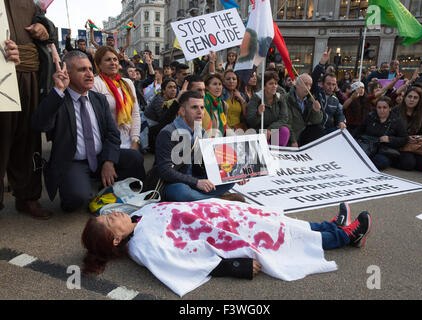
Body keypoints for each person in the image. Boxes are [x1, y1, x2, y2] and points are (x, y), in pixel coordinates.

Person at [81, 200, 372, 297]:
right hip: (227, 232)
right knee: (280, 237)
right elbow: (181, 262)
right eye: (109, 220)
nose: (114, 214)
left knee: (278, 222)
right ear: (115, 240)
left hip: (227, 215)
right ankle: (346, 236)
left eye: (109, 214)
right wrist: (236, 266)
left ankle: (330, 226)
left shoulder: (137, 217)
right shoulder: (144, 247)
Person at [32, 51, 145, 212]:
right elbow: (40, 125)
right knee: (77, 199)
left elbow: (113, 135)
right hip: (73, 161)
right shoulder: (58, 99)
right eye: (82, 70)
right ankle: (77, 188)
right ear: (67, 74)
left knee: (134, 157)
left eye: (91, 69)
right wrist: (57, 90)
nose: (89, 74)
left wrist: (109, 161)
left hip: (100, 157)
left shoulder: (98, 99)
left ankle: (117, 192)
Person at [0, 0, 56, 219]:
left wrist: (43, 28)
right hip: (3, 78)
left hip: (31, 77)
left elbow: (48, 29)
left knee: (29, 139)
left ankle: (27, 198)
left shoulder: (31, 4)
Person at [153, 91, 247, 202]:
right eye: (194, 107)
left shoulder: (200, 131)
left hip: (195, 180)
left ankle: (204, 198)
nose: (200, 112)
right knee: (182, 193)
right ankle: (219, 199)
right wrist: (196, 183)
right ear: (182, 111)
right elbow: (165, 171)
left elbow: (207, 163)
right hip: (174, 184)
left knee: (229, 179)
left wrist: (235, 174)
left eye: (202, 107)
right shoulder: (168, 132)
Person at [91, 46, 141, 150]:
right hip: (107, 142)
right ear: (99, 64)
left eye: (115, 59)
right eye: (108, 60)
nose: (113, 63)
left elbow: (135, 114)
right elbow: (96, 119)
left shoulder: (127, 83)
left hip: (128, 140)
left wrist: (135, 140)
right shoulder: (95, 84)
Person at [354, 97, 408, 170]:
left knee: (380, 162)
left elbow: (404, 139)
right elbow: (358, 131)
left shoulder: (396, 121)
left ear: (390, 108)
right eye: (379, 107)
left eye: (384, 107)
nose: (381, 110)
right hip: (368, 147)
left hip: (384, 150)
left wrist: (390, 139)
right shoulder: (370, 117)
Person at [247, 72, 291, 146]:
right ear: (264, 86)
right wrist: (258, 113)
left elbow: (284, 118)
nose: (274, 86)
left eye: (276, 83)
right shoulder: (256, 98)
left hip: (273, 131)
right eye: (271, 84)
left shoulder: (280, 98)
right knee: (266, 148)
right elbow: (250, 121)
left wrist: (270, 129)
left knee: (284, 130)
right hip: (259, 132)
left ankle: (277, 153)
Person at [391, 87, 422, 172]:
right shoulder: (396, 111)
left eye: (415, 98)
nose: (412, 100)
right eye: (409, 96)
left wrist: (421, 137)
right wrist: (406, 138)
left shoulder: (421, 113)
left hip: (415, 145)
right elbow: (391, 131)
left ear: (419, 100)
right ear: (405, 98)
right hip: (400, 145)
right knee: (408, 164)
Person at [285, 74, 323, 147]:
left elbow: (316, 121)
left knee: (318, 129)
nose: (308, 88)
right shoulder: (287, 99)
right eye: (305, 84)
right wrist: (293, 140)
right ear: (297, 84)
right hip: (291, 135)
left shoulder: (311, 99)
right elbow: (287, 122)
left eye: (310, 85)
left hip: (303, 134)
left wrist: (316, 111)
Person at [203, 73, 232, 137]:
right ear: (207, 87)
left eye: (220, 84)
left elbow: (225, 124)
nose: (218, 87)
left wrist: (235, 137)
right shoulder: (202, 103)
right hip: (205, 142)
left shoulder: (224, 105)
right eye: (215, 84)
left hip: (219, 141)